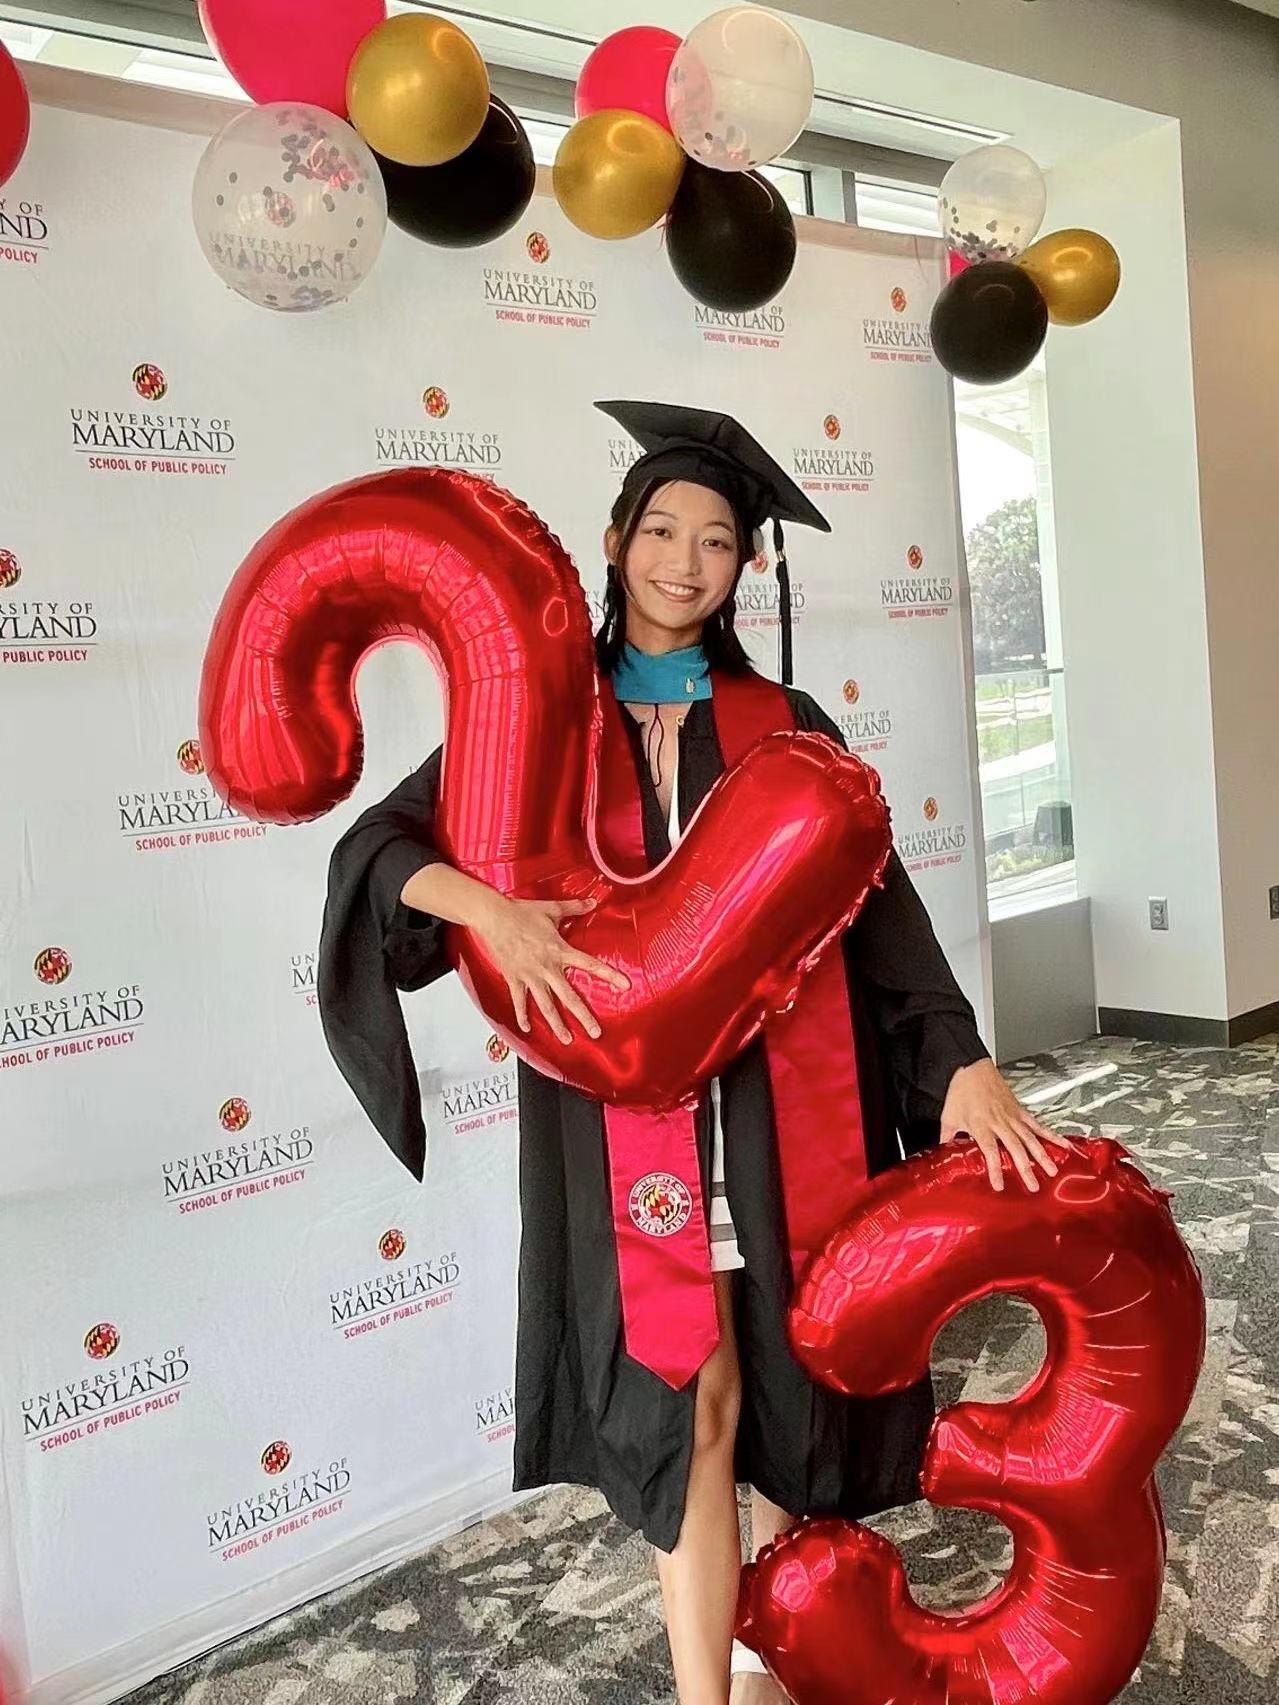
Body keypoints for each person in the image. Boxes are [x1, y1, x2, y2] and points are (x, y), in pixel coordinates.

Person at [318, 401, 1071, 1705]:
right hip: (625, 1132)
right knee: (693, 1403)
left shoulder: (784, 719)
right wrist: (490, 908)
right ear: (613, 542)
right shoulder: (540, 718)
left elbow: (882, 917)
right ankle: (704, 1689)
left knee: (780, 1389)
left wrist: (960, 1064)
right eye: (661, 530)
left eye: (716, 540)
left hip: (776, 1119)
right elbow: (380, 848)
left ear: (746, 565)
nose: (685, 560)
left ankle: (759, 1639)